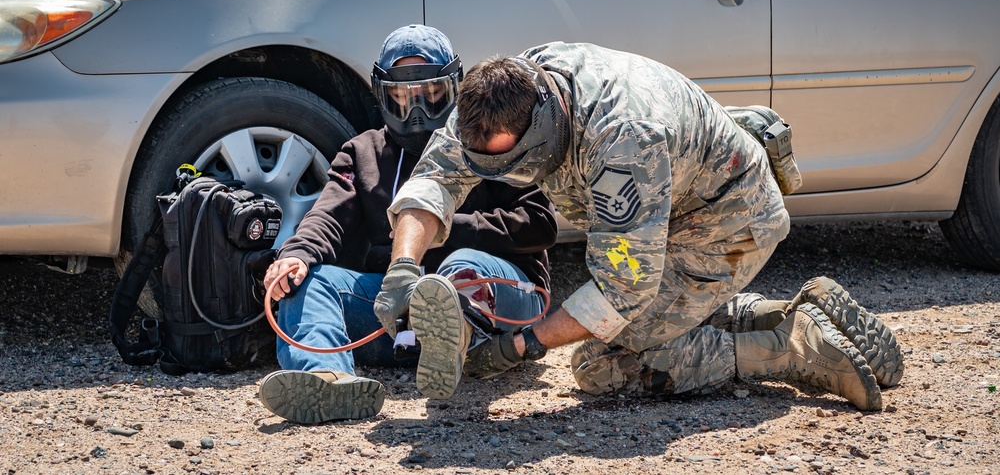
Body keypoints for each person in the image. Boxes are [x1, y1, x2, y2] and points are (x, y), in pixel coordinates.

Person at [377, 41, 903, 411]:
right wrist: (403, 268)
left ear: (540, 132)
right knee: (640, 320)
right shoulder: (497, 97)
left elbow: (621, 289)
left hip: (726, 220)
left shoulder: (623, 141)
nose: (506, 179)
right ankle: (766, 313)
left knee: (602, 364)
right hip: (670, 209)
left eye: (513, 167)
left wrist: (520, 345)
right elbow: (435, 179)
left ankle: (792, 344)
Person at [257, 25, 558, 423]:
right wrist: (295, 256)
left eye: (431, 94)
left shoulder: (491, 135)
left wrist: (440, 230)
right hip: (398, 310)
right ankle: (327, 380)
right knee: (308, 280)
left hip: (498, 302)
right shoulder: (361, 152)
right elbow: (326, 216)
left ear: (453, 88)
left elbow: (540, 224)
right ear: (382, 94)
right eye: (402, 96)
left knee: (459, 267)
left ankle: (455, 337)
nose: (417, 110)